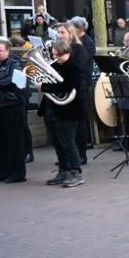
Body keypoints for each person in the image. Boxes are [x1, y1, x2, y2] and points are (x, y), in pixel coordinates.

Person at [38, 39, 85, 188]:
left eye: (59, 55)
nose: (56, 58)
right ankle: (63, 171)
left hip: (68, 110)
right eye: (54, 55)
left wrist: (45, 87)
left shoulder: (73, 67)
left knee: (68, 143)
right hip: (51, 109)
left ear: (67, 53)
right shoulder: (53, 66)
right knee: (57, 144)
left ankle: (76, 172)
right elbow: (47, 82)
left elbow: (69, 86)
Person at [0, 37, 28, 183]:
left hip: (11, 106)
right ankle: (1, 171)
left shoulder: (15, 63)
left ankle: (17, 173)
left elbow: (12, 80)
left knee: (14, 141)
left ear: (7, 51)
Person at [58, 22, 93, 162]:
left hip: (78, 89)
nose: (59, 35)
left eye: (62, 32)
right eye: (58, 32)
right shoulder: (61, 49)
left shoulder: (78, 49)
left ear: (71, 34)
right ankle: (69, 155)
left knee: (79, 123)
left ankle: (81, 155)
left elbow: (79, 70)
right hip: (65, 89)